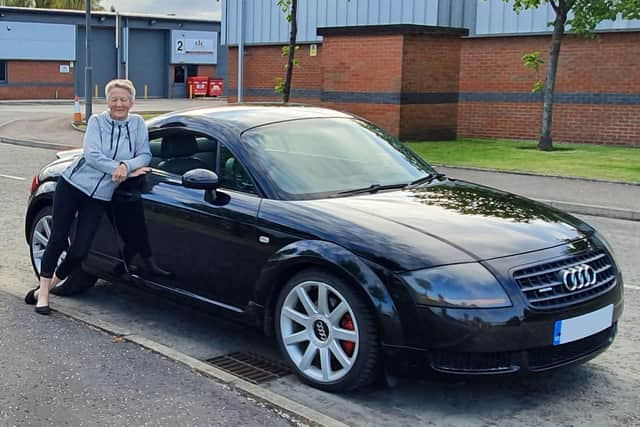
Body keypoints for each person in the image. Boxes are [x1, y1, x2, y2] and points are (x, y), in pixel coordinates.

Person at [25, 79, 151, 315]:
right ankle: (43, 297)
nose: (118, 104)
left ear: (132, 102)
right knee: (58, 239)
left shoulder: (137, 124)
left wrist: (127, 164)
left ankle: (46, 287)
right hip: (72, 185)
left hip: (100, 195)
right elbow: (92, 155)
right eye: (114, 99)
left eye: (123, 99)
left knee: (80, 250)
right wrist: (120, 169)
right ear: (107, 101)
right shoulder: (96, 121)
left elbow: (145, 154)